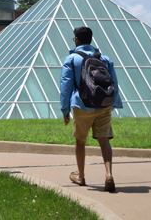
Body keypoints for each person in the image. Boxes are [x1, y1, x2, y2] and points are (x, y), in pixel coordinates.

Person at [60, 26, 122, 193]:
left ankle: (81, 176)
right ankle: (109, 175)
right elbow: (114, 83)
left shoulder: (72, 59)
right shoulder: (105, 58)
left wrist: (65, 110)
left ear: (77, 40)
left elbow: (65, 86)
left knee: (80, 141)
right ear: (91, 39)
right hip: (103, 105)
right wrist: (113, 104)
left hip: (82, 105)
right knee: (104, 140)